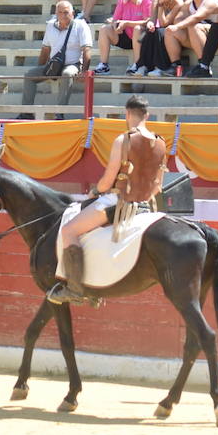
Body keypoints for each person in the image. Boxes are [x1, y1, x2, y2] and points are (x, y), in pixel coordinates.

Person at [49, 95, 167, 306]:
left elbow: (106, 182)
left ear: (127, 114)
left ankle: (75, 289)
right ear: (147, 115)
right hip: (146, 206)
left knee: (69, 231)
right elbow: (158, 185)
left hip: (120, 203)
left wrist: (96, 190)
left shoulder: (124, 140)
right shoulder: (161, 143)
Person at [22, 0, 92, 112]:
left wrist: (84, 71)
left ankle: (60, 111)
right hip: (54, 65)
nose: (63, 15)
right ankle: (26, 112)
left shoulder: (80, 26)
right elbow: (45, 49)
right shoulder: (50, 26)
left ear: (72, 13)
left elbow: (87, 50)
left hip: (73, 64)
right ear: (56, 14)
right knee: (29, 75)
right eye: (60, 12)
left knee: (67, 73)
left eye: (66, 12)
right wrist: (43, 70)